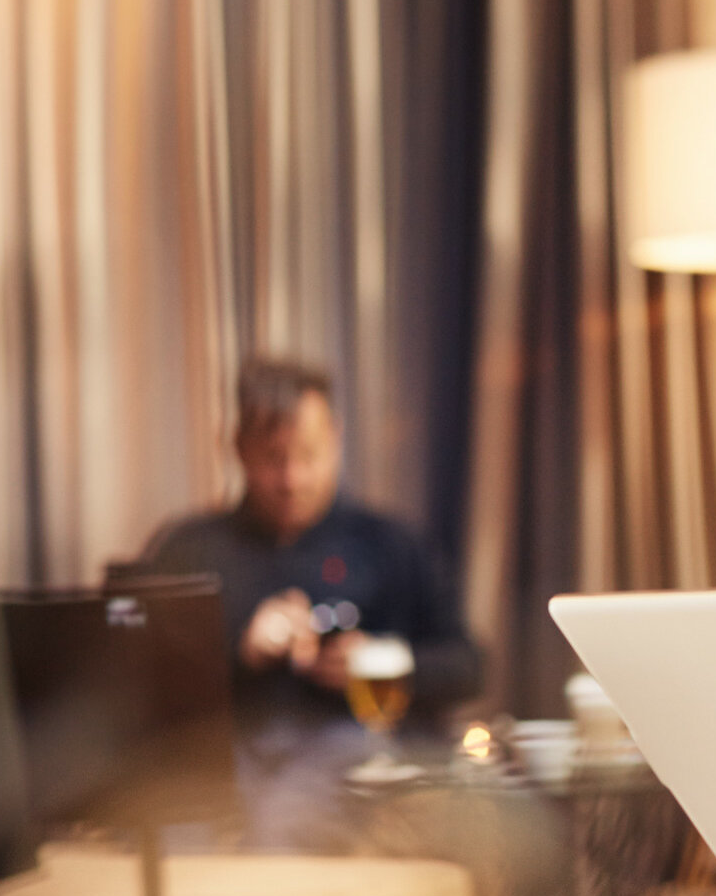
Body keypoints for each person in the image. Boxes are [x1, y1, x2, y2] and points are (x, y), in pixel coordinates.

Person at [144, 357, 480, 848]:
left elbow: (468, 665)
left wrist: (382, 662)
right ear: (237, 448)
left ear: (336, 438)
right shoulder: (189, 550)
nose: (292, 478)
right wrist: (241, 650)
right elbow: (139, 685)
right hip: (217, 753)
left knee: (286, 820)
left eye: (308, 454)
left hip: (345, 748)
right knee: (176, 824)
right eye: (272, 457)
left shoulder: (388, 544)